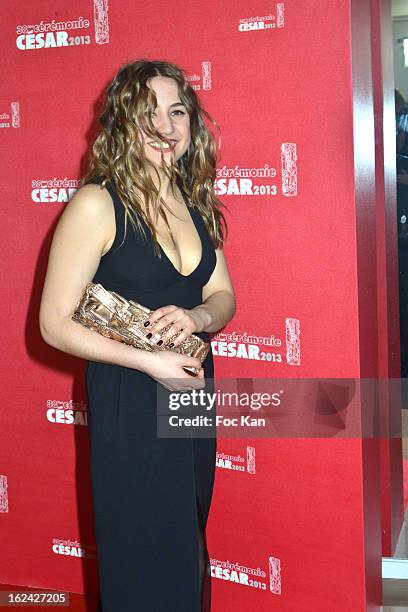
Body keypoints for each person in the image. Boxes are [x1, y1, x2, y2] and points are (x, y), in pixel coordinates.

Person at [39, 59, 236, 611]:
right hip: (133, 393)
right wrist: (149, 363)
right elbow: (53, 323)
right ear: (124, 122)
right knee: (144, 545)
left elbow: (223, 297)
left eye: (177, 111)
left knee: (186, 540)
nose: (166, 126)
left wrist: (197, 319)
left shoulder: (192, 202)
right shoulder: (97, 203)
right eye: (148, 113)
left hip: (192, 390)